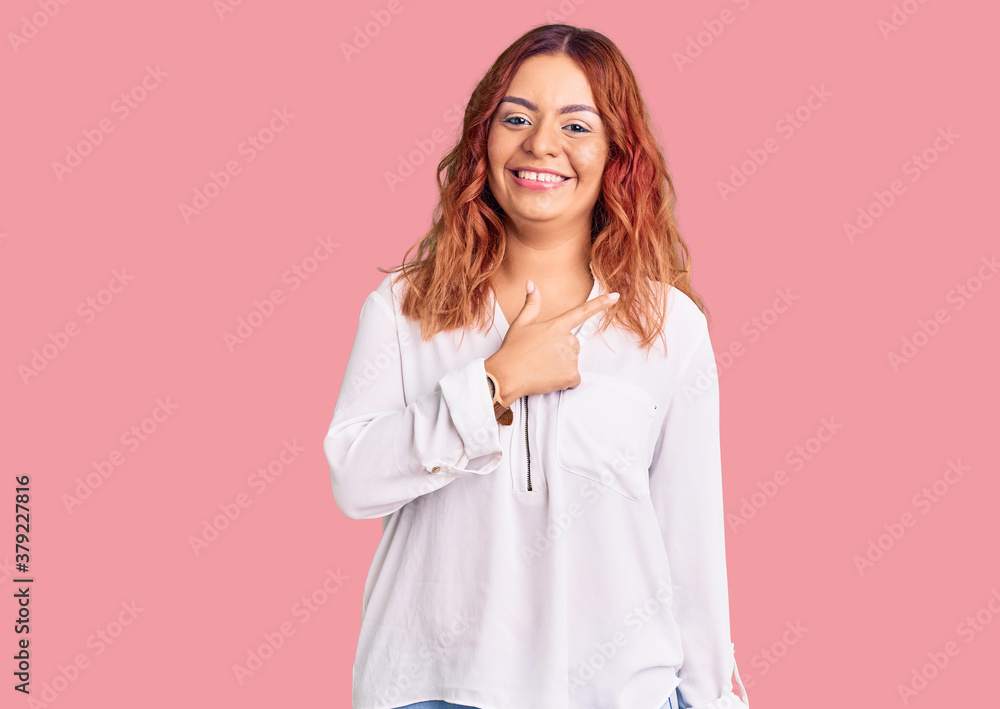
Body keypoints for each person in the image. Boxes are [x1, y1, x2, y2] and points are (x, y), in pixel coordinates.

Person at [323, 24, 750, 709]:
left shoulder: (669, 327)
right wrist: (494, 382)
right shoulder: (405, 307)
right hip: (433, 690)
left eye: (576, 125)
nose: (541, 144)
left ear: (616, 154)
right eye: (516, 118)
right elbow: (354, 480)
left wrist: (711, 698)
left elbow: (691, 542)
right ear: (483, 139)